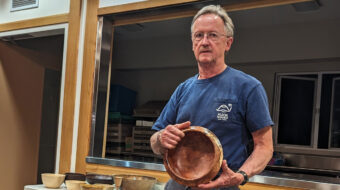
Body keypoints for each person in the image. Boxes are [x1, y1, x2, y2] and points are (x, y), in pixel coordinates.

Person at [150, 4, 273, 190]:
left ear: (228, 43)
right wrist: (161, 139)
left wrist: (241, 175)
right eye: (199, 35)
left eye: (213, 35)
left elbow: (265, 147)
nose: (205, 41)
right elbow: (155, 141)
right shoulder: (183, 89)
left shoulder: (248, 87)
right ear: (193, 44)